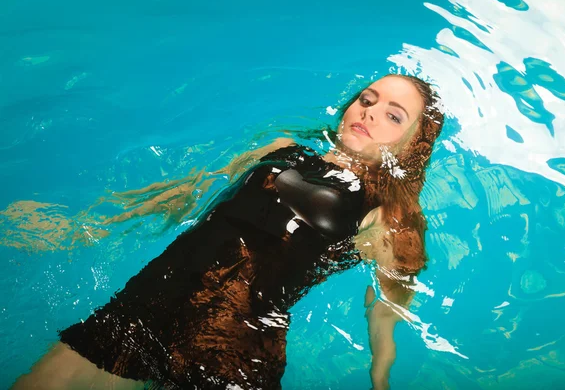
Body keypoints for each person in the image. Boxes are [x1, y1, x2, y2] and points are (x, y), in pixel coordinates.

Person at [13, 74, 444, 390]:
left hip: (231, 345)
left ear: (411, 145)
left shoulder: (385, 216)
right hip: (149, 305)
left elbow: (391, 299)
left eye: (392, 115)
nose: (369, 111)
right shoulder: (280, 150)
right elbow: (187, 193)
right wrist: (78, 228)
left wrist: (380, 374)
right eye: (367, 99)